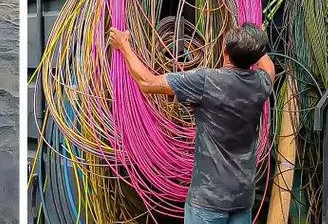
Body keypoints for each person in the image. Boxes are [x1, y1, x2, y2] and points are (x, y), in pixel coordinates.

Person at [108, 22, 275, 224]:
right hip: (242, 197)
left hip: (208, 201)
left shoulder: (207, 81)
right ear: (255, 58)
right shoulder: (261, 83)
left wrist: (123, 45)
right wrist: (253, 41)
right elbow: (269, 66)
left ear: (225, 51)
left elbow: (147, 82)